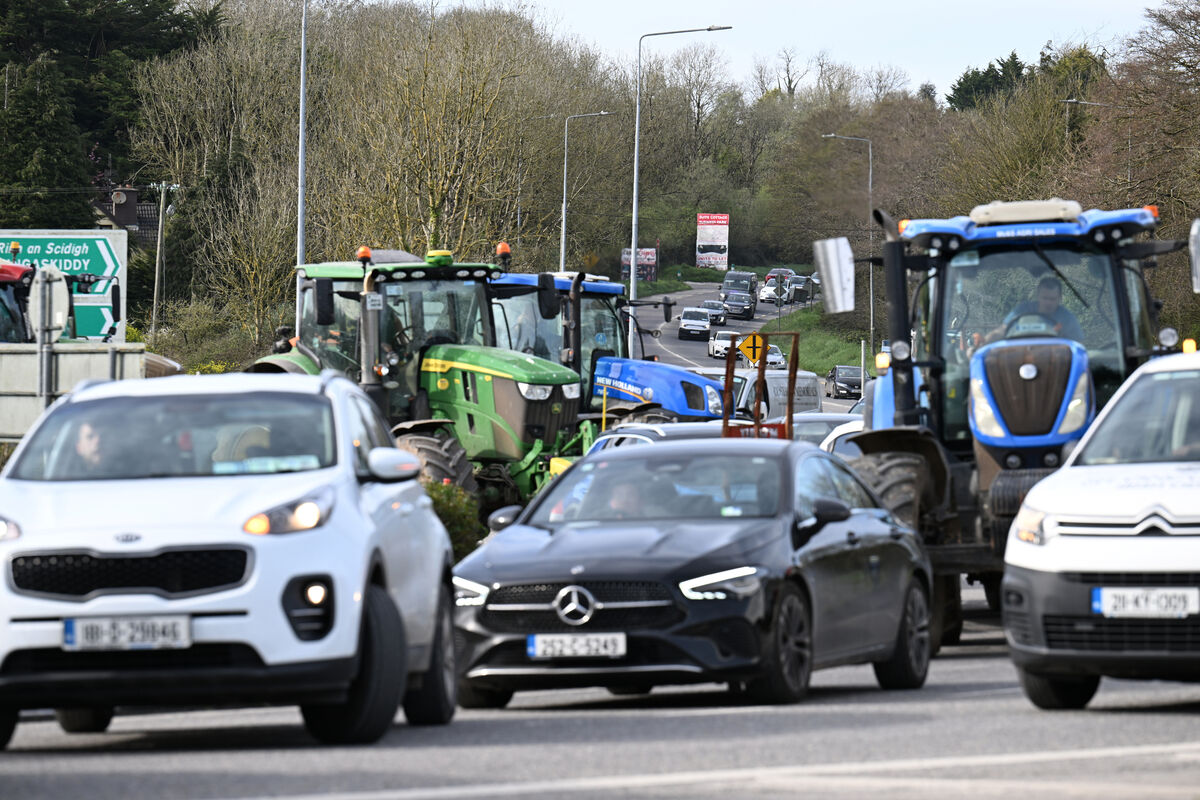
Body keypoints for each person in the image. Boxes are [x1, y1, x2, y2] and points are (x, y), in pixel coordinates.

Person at [986, 276, 1085, 343]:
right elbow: (1002, 330)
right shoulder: (1023, 310)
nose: (1048, 302)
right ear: (1038, 296)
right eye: (1045, 298)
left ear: (1060, 298)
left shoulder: (1067, 319)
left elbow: (1078, 346)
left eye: (1052, 299)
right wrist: (984, 341)